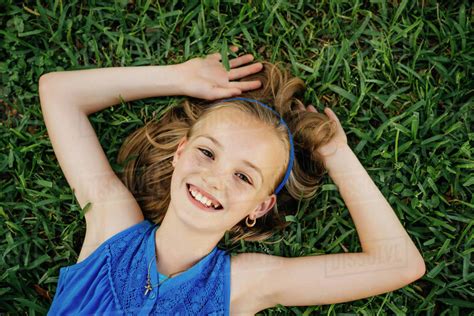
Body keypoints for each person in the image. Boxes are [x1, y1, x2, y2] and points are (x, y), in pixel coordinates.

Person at [39, 45, 426, 315]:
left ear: (261, 205)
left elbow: (398, 265)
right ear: (180, 154)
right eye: (207, 152)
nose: (214, 178)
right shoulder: (111, 226)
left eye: (243, 176)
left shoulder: (243, 283)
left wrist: (335, 153)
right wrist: (178, 77)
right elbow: (57, 92)